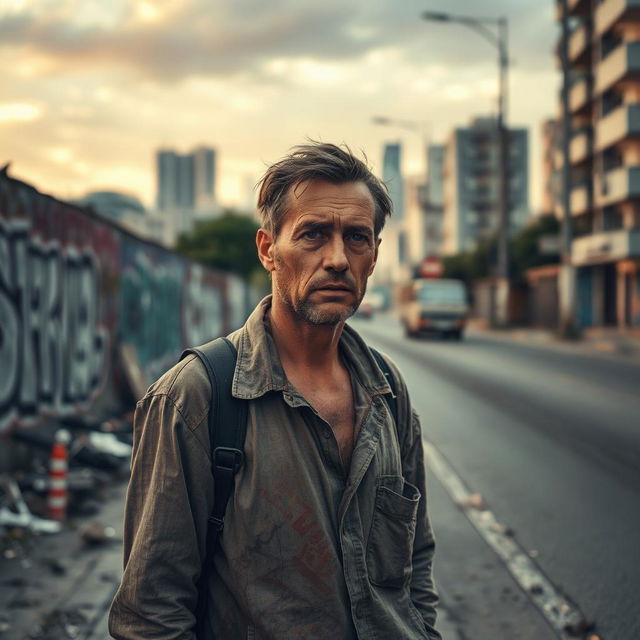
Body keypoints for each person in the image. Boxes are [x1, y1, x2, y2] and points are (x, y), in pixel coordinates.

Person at [109, 142, 441, 640]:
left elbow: (415, 564)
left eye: (357, 237)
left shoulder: (387, 389)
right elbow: (151, 613)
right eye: (312, 235)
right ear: (268, 249)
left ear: (373, 255)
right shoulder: (196, 397)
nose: (336, 259)